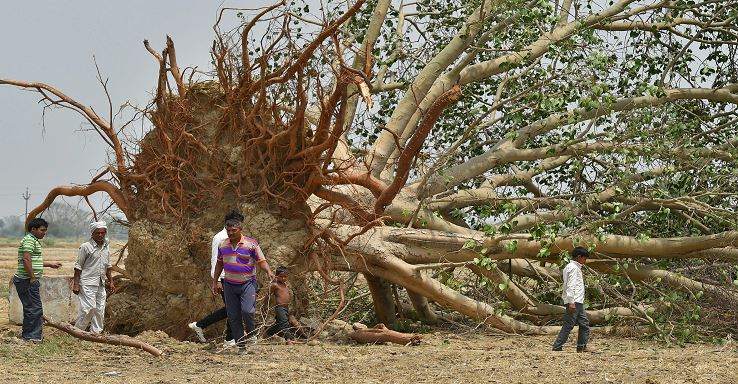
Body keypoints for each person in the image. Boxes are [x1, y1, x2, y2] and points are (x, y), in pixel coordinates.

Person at [212, 216, 274, 349]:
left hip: (247, 284)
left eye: (233, 230)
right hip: (229, 284)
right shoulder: (222, 244)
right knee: (233, 316)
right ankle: (241, 346)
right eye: (228, 230)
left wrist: (268, 271)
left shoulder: (251, 243)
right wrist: (215, 281)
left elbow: (261, 261)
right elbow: (219, 264)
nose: (230, 233)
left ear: (240, 229)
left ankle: (251, 334)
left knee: (247, 311)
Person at [188, 210, 243, 346]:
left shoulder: (235, 236)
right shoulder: (220, 238)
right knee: (234, 308)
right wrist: (216, 280)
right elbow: (215, 260)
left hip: (235, 278)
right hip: (224, 278)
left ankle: (201, 326)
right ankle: (229, 338)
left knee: (233, 308)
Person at [13, 218, 62, 342]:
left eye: (45, 230)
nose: (44, 233)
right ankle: (31, 337)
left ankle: (28, 335)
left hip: (26, 279)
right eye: (42, 230)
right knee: (35, 308)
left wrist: (49, 264)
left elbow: (33, 261)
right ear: (33, 229)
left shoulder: (32, 240)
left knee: (31, 308)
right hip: (27, 280)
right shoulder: (29, 240)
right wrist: (33, 278)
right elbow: (26, 259)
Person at [72, 221, 114, 333]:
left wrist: (111, 281)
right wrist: (76, 284)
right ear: (92, 234)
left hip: (101, 283)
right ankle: (77, 332)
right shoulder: (86, 247)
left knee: (100, 310)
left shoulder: (106, 247)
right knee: (88, 309)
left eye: (102, 233)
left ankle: (96, 333)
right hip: (87, 283)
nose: (100, 235)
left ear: (105, 233)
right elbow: (78, 267)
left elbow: (108, 266)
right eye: (97, 233)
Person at [552, 246, 592, 352]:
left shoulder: (571, 267)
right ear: (579, 257)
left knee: (584, 324)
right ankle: (557, 346)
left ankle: (581, 347)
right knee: (569, 325)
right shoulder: (573, 268)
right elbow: (570, 285)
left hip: (577, 301)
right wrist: (571, 302)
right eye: (584, 258)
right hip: (574, 301)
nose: (585, 261)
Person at [265, 266, 295, 342]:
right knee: (284, 322)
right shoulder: (275, 285)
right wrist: (265, 306)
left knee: (279, 324)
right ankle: (288, 340)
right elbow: (268, 295)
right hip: (279, 308)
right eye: (281, 276)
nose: (283, 278)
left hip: (286, 308)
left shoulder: (285, 285)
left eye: (285, 277)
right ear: (276, 276)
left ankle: (268, 333)